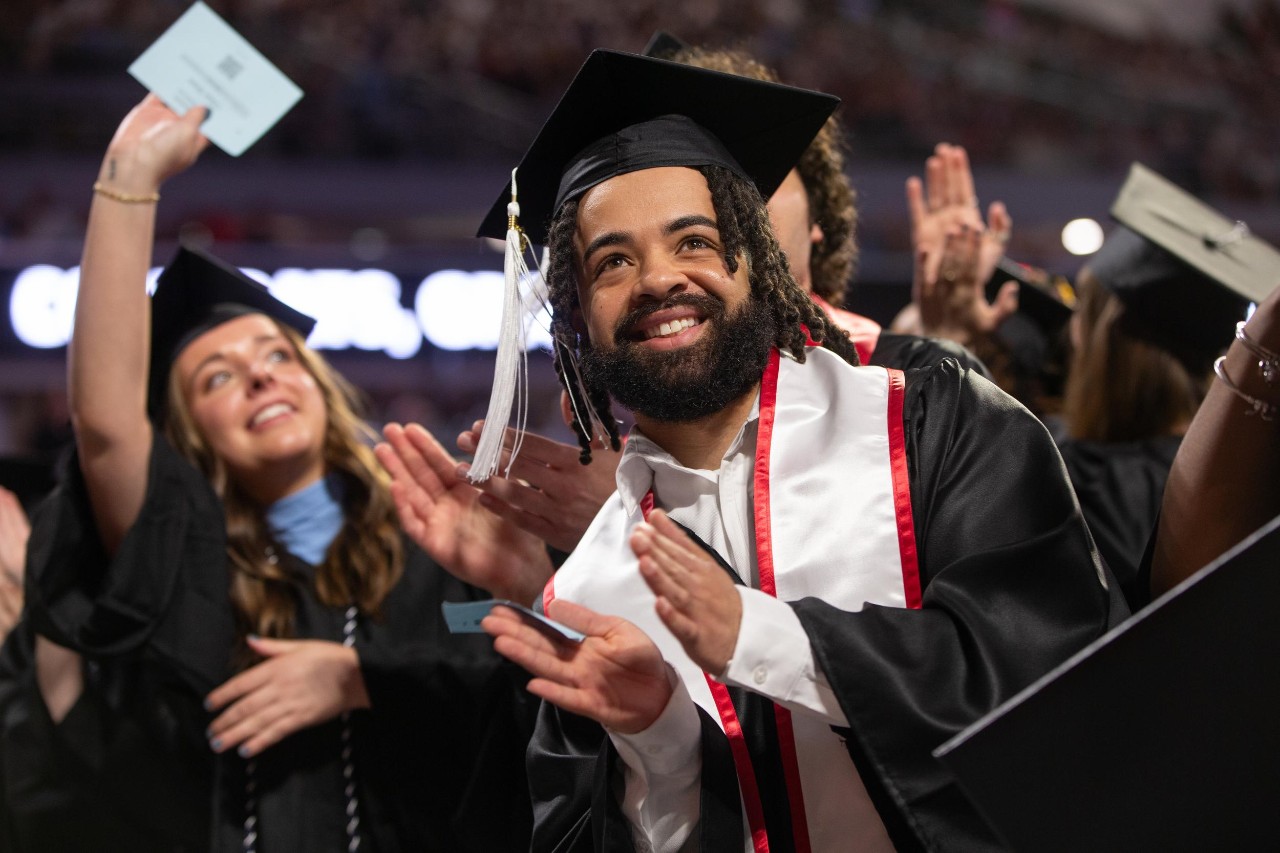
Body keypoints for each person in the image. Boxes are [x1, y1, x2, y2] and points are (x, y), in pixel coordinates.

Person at [384, 50, 1127, 852]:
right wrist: (659, 734)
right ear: (575, 321)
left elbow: (1061, 679)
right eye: (613, 261)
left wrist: (760, 634)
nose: (658, 279)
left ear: (758, 262)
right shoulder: (590, 580)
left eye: (694, 241)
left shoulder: (929, 420)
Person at [7, 95, 538, 852]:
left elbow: (530, 676)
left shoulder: (435, 533)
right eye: (217, 378)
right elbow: (106, 427)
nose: (259, 379)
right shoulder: (191, 569)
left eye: (276, 356)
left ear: (316, 385)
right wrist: (128, 174)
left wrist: (362, 678)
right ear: (190, 434)